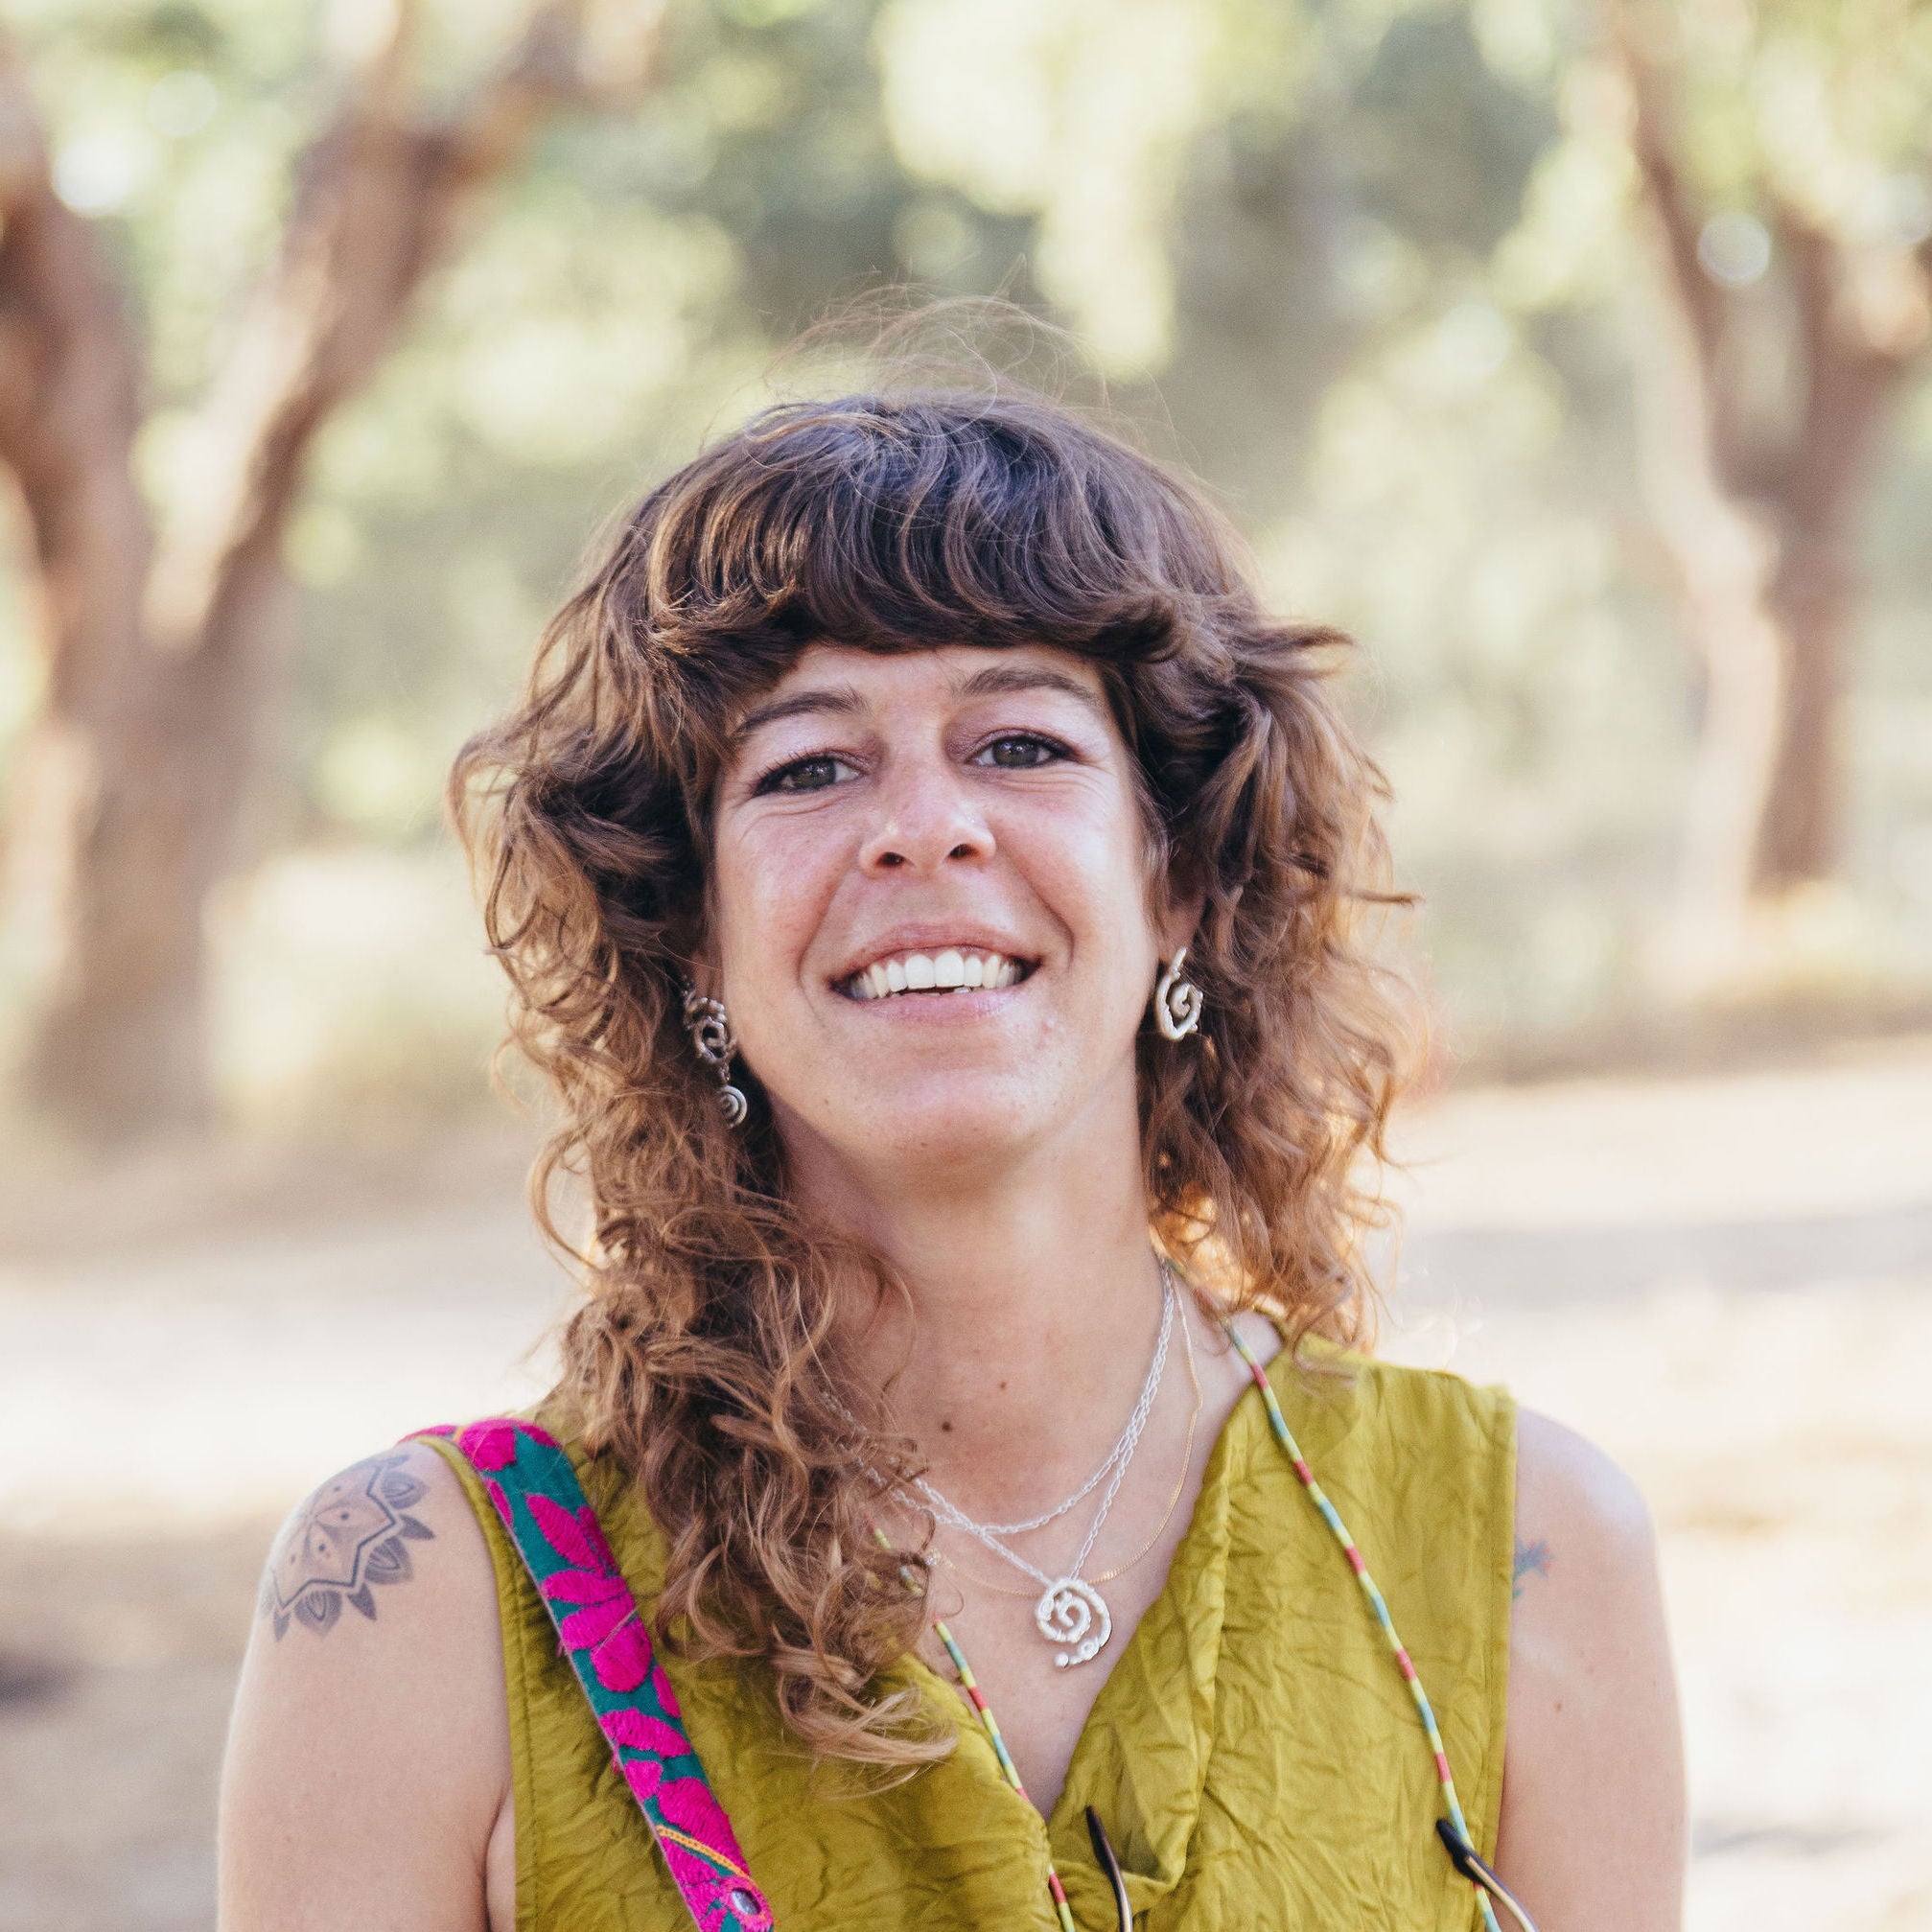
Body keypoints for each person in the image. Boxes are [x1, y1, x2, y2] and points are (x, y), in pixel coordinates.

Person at [218, 383, 1685, 1932]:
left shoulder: (1528, 1551)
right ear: (693, 940)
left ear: (1175, 882)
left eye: (1019, 744)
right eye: (805, 769)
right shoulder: (421, 1604)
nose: (926, 829)